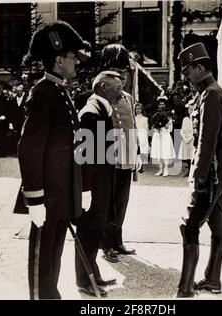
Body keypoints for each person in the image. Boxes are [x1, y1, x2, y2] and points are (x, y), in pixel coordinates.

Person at [16, 21, 90, 300]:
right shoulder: (43, 93)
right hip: (46, 198)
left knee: (52, 260)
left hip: (59, 197)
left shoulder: (59, 91)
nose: (76, 63)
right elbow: (30, 149)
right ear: (59, 60)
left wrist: (78, 189)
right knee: (41, 262)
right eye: (73, 58)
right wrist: (34, 199)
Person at [176, 43, 222, 297]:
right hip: (220, 168)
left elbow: (207, 140)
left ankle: (186, 289)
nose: (185, 76)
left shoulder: (211, 95)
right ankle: (212, 279)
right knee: (216, 221)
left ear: (200, 68)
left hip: (211, 171)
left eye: (188, 70)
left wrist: (198, 175)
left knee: (190, 225)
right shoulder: (210, 92)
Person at [74, 71, 124, 297]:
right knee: (89, 231)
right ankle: (85, 280)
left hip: (101, 184)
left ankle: (92, 273)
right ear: (103, 86)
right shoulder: (91, 113)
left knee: (95, 231)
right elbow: (85, 157)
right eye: (117, 87)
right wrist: (89, 191)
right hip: (94, 186)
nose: (121, 92)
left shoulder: (100, 109)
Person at [99, 44, 139, 263]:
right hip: (109, 159)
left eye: (123, 70)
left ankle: (117, 240)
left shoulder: (127, 98)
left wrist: (137, 155)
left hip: (126, 158)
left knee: (122, 201)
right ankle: (105, 245)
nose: (121, 74)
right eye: (116, 69)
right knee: (108, 203)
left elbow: (132, 128)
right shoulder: (101, 97)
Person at [150, 96, 175, 177]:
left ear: (165, 105)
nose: (161, 106)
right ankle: (160, 168)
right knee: (158, 152)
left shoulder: (168, 115)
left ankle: (166, 169)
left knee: (165, 151)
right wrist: (156, 127)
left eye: (162, 104)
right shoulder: (156, 114)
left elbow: (170, 128)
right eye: (160, 104)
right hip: (158, 134)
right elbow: (153, 125)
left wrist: (164, 127)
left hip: (165, 134)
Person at [8, 84, 27, 155]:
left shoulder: (26, 100)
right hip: (15, 122)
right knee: (15, 136)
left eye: (21, 91)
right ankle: (15, 151)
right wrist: (10, 123)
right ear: (16, 92)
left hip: (23, 121)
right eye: (18, 91)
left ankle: (22, 151)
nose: (19, 92)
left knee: (23, 136)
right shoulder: (12, 101)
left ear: (22, 92)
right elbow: (10, 113)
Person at [178, 103, 195, 177]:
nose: (190, 111)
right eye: (189, 109)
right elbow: (182, 129)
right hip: (185, 138)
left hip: (192, 139)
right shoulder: (185, 119)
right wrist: (184, 137)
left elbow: (194, 130)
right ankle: (188, 170)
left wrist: (190, 138)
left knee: (192, 155)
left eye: (192, 109)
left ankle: (192, 170)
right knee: (187, 155)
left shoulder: (195, 120)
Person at [134, 103, 149, 173]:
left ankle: (141, 166)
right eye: (136, 109)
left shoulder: (145, 119)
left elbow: (146, 129)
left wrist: (146, 136)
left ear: (142, 109)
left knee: (142, 150)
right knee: (136, 150)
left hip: (142, 135)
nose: (138, 110)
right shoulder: (133, 118)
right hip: (135, 134)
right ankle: (135, 165)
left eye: (139, 109)